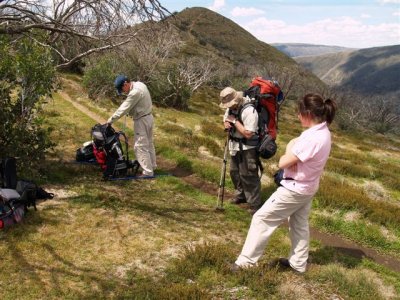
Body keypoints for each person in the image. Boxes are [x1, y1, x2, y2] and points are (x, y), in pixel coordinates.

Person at [232, 93, 337, 273]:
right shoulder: (322, 131)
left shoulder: (312, 138)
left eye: (299, 112)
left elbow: (283, 162)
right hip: (308, 187)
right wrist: (294, 146)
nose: (297, 116)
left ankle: (245, 263)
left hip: (294, 189)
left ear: (308, 113)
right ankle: (298, 263)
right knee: (299, 224)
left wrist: (289, 146)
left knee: (261, 218)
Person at [220, 87, 262, 214]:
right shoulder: (231, 108)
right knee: (234, 172)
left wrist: (234, 121)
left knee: (248, 174)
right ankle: (240, 195)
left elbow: (248, 133)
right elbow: (226, 119)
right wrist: (226, 123)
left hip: (248, 147)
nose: (229, 107)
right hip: (234, 145)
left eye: (231, 105)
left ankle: (254, 204)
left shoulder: (249, 110)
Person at [107, 75, 156, 177]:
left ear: (126, 84)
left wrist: (110, 121)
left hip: (141, 120)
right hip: (149, 117)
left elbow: (123, 109)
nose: (123, 92)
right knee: (149, 144)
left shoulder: (134, 92)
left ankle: (148, 172)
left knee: (140, 146)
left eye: (122, 89)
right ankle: (152, 166)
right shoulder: (140, 84)